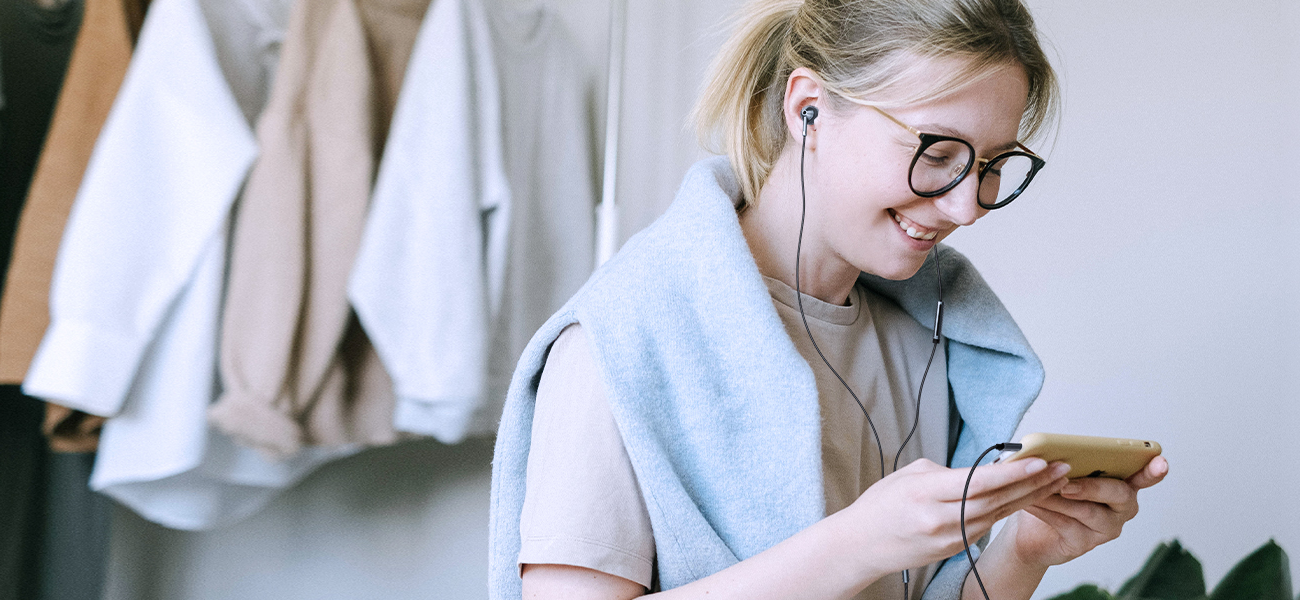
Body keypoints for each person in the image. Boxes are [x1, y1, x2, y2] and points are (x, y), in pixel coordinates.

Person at [488, 0, 1170, 599]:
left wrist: (1023, 553)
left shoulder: (928, 339)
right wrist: (856, 545)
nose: (967, 207)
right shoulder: (619, 340)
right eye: (938, 153)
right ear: (807, 109)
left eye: (991, 166)